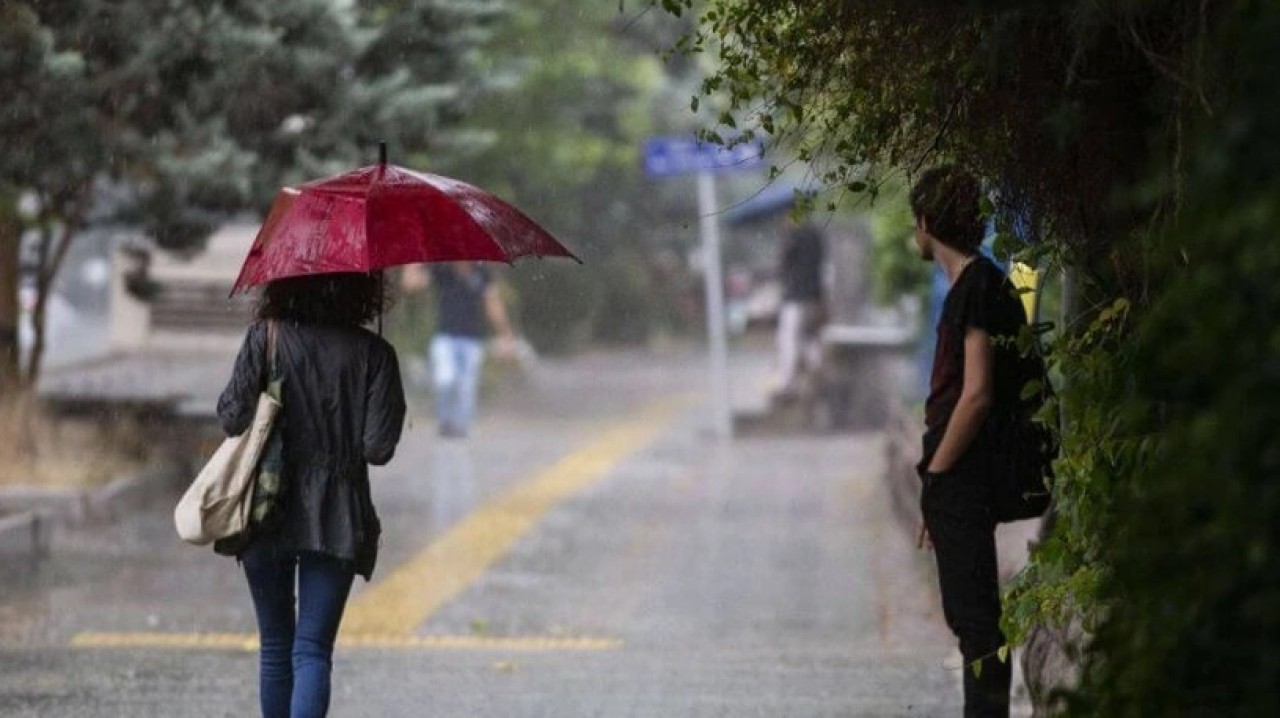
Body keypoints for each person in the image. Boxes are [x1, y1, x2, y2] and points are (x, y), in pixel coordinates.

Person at [217, 272, 406, 718]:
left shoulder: (266, 338)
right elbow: (378, 449)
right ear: (362, 291)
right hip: (337, 513)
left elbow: (231, 416)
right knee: (312, 650)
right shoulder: (375, 353)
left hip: (266, 503)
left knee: (276, 646)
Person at [911, 166, 1036, 717]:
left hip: (963, 475)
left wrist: (937, 475)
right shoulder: (975, 285)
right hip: (955, 480)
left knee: (977, 626)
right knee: (973, 623)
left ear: (925, 223)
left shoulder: (978, 288)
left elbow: (978, 394)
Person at [405, 262, 514, 438]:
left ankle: (462, 427)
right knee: (445, 379)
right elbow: (411, 286)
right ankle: (445, 421)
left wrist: (505, 333)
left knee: (467, 387)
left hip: (472, 339)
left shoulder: (482, 273)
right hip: (445, 337)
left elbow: (492, 303)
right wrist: (412, 264)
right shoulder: (442, 270)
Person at [774, 218, 827, 397]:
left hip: (795, 296)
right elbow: (821, 264)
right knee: (810, 336)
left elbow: (783, 263)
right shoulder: (816, 234)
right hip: (814, 296)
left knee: (789, 339)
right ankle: (817, 373)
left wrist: (785, 235)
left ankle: (788, 383)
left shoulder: (793, 235)